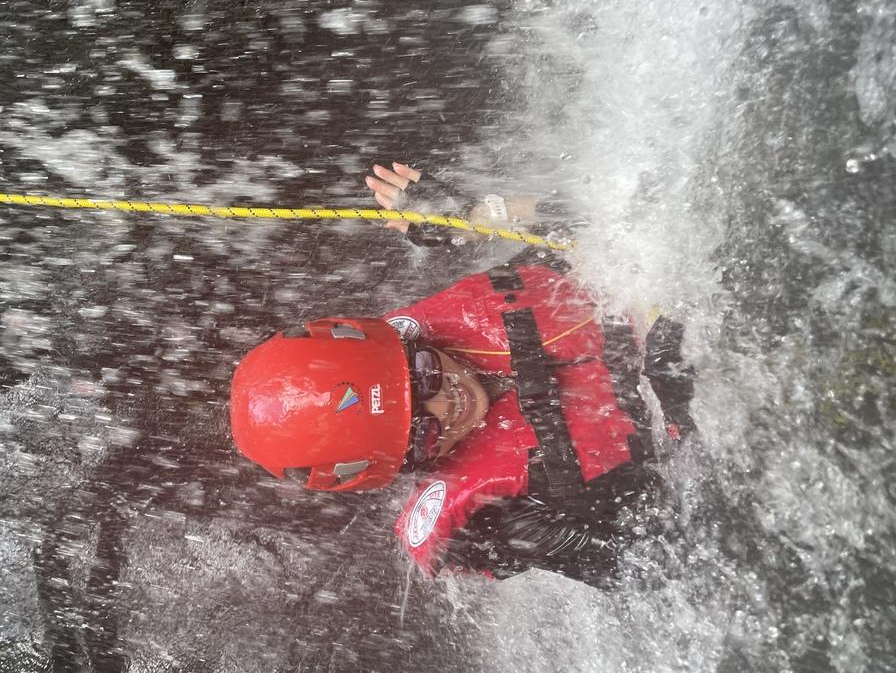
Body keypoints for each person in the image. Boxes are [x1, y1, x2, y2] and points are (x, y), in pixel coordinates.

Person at [228, 162, 696, 588]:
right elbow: (666, 565)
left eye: (425, 377)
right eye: (423, 433)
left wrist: (482, 214)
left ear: (406, 347)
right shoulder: (491, 520)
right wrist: (677, 397)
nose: (449, 404)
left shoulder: (467, 316)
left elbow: (604, 223)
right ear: (403, 464)